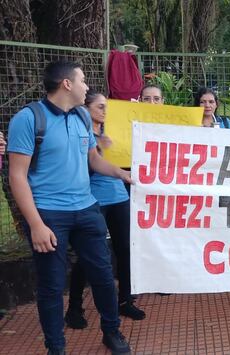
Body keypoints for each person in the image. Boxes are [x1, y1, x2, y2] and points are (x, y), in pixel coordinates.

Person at [7, 60, 132, 354]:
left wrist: (123, 174)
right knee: (51, 286)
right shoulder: (27, 119)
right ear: (66, 84)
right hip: (49, 214)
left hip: (87, 209)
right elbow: (17, 175)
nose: (86, 86)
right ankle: (56, 347)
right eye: (83, 80)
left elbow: (94, 159)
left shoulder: (81, 117)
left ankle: (111, 331)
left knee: (102, 275)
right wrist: (36, 224)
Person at [66, 90, 146, 331]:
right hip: (94, 200)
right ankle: (74, 307)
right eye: (100, 106)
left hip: (119, 197)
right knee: (88, 254)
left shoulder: (115, 131)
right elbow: (78, 166)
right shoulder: (80, 134)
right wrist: (97, 145)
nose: (104, 111)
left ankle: (125, 300)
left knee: (125, 250)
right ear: (86, 108)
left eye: (106, 107)